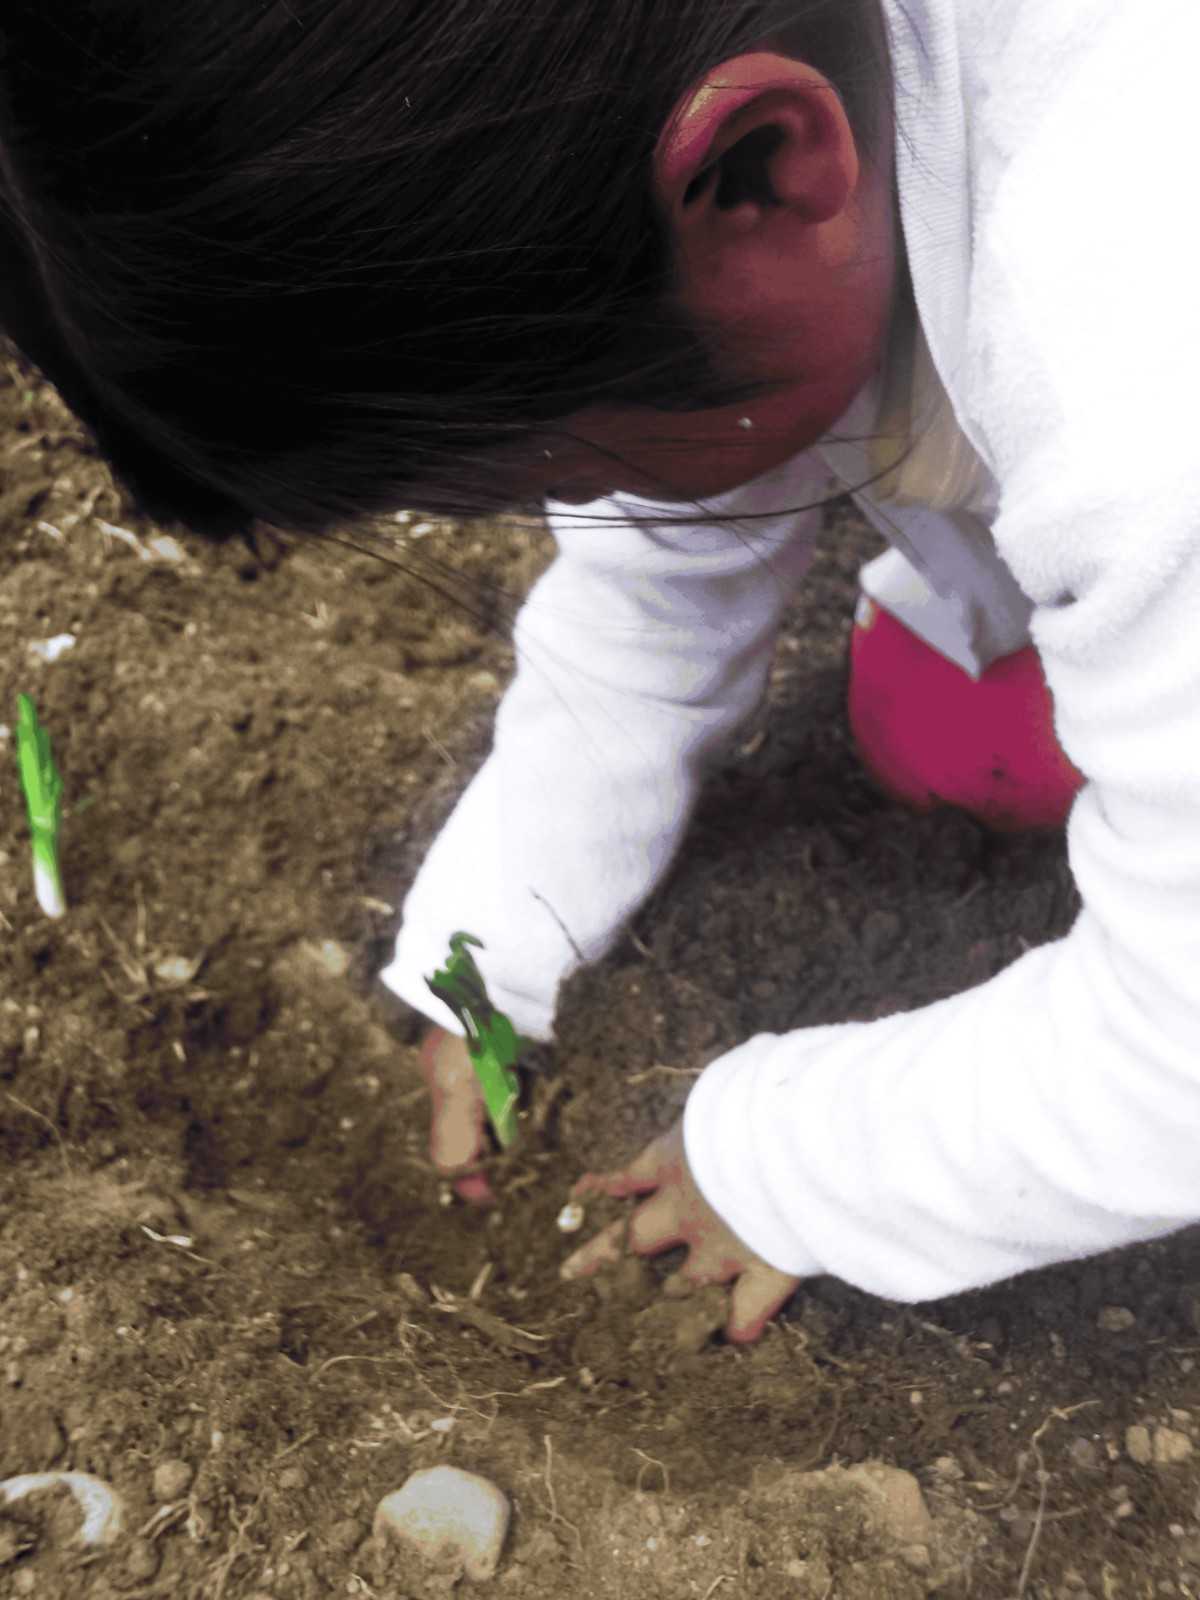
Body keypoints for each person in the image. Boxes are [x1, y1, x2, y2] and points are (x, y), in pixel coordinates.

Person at [3, 1, 1198, 1343]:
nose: (590, 503)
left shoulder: (1143, 355)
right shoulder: (727, 138)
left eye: (569, 465)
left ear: (762, 170)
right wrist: (492, 949)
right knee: (951, 738)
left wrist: (789, 1165)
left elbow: (1181, 1044)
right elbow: (653, 589)